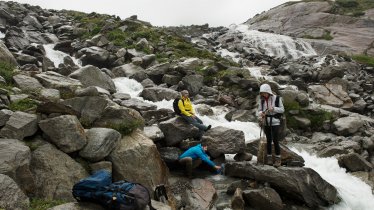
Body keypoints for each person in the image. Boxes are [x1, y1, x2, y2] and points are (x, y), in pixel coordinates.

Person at [257, 83, 285, 167]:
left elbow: (282, 110)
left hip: (275, 122)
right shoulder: (261, 100)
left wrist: (273, 109)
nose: (263, 94)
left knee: (275, 140)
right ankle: (269, 158)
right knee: (268, 140)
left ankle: (278, 159)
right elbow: (258, 110)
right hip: (266, 122)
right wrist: (261, 113)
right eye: (262, 93)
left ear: (268, 92)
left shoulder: (277, 99)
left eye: (264, 92)